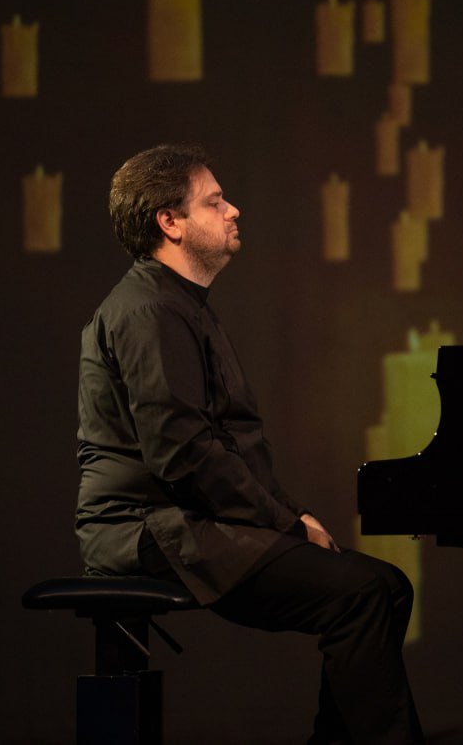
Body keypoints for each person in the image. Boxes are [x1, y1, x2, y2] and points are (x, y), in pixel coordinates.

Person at [76, 144, 423, 744]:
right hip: (145, 528)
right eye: (214, 202)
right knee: (363, 594)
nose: (233, 210)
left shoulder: (179, 305)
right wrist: (285, 523)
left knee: (387, 587)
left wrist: (290, 514)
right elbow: (183, 455)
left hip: (182, 515)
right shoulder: (150, 311)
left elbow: (224, 448)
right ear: (170, 222)